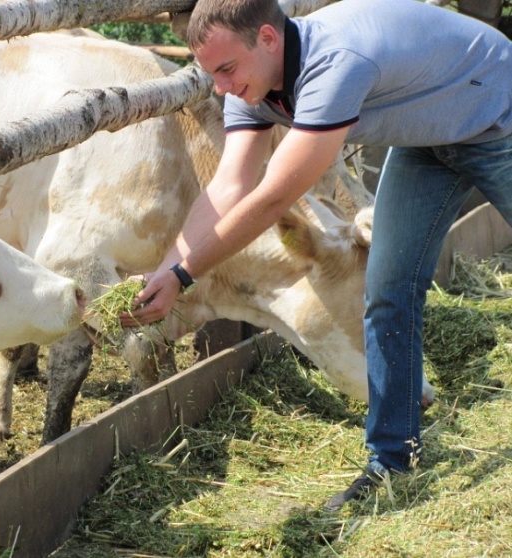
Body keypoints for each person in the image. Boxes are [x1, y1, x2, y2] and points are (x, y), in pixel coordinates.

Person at [119, 0, 512, 510]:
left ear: (267, 39)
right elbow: (229, 186)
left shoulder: (335, 64)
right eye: (211, 73)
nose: (220, 87)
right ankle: (393, 462)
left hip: (496, 112)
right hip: (427, 138)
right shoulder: (250, 85)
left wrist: (185, 275)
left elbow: (273, 197)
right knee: (388, 291)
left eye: (227, 69)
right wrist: (166, 271)